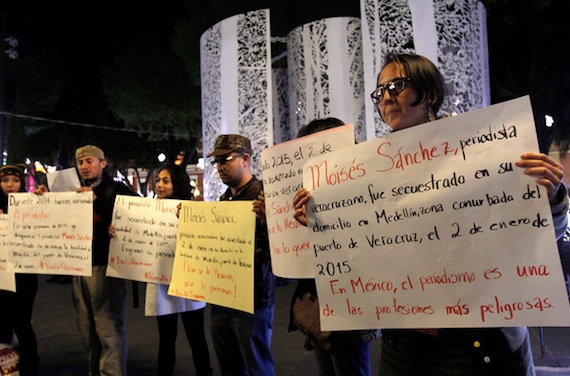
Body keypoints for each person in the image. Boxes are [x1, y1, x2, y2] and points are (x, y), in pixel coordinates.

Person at [292, 53, 570, 375]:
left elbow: (542, 232)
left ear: (431, 94)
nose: (386, 97)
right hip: (406, 347)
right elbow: (363, 252)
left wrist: (552, 197)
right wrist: (321, 224)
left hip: (482, 345)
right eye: (379, 91)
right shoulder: (367, 172)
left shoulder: (484, 150)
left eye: (396, 85)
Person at [254, 118, 381, 376]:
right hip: (317, 306)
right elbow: (285, 272)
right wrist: (274, 222)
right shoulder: (305, 198)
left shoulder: (362, 192)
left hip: (352, 305)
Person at [35, 145, 137, 375]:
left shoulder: (116, 189)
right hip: (78, 266)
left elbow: (136, 212)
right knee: (86, 328)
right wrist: (42, 198)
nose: (84, 166)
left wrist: (97, 201)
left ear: (103, 163)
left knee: (108, 326)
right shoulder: (71, 190)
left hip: (105, 267)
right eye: (80, 163)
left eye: (90, 161)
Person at [111, 164, 213, 376]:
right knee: (166, 337)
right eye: (158, 180)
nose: (159, 185)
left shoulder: (193, 207)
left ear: (177, 183)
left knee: (196, 336)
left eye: (165, 181)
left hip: (189, 280)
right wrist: (117, 231)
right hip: (161, 280)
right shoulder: (149, 210)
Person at [208, 134, 276, 375]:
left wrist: (269, 221)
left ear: (245, 158)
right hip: (221, 297)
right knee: (229, 368)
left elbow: (281, 248)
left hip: (253, 300)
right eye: (216, 162)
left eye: (225, 159)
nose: (219, 167)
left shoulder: (264, 197)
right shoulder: (224, 199)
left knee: (257, 366)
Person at [0, 165, 40, 375]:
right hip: (1, 275)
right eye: (5, 181)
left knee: (22, 322)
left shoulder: (31, 204)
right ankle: (6, 366)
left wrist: (43, 198)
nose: (10, 185)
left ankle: (30, 367)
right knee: (2, 322)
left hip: (24, 276)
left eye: (15, 181)